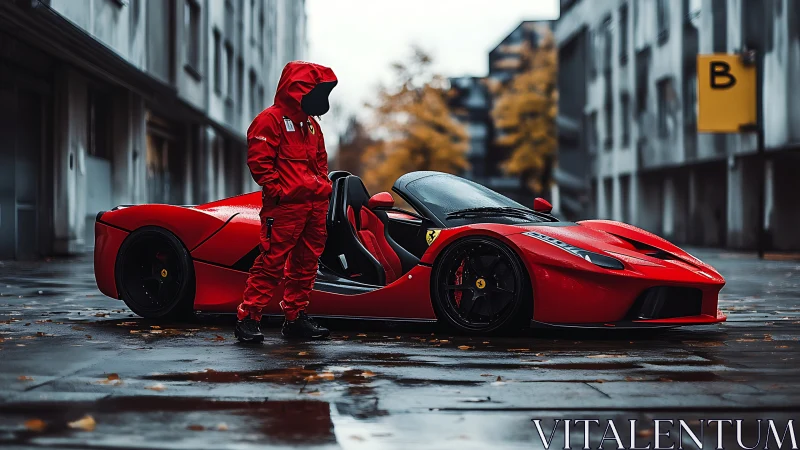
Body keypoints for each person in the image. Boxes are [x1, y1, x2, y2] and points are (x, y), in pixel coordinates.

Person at [235, 61, 337, 342]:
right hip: (286, 207)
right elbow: (259, 161)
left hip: (313, 206)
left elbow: (320, 163)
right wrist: (279, 191)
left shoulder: (312, 126)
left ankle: (295, 319)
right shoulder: (269, 120)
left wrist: (322, 189)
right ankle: (248, 317)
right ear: (299, 89)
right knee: (271, 262)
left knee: (306, 264)